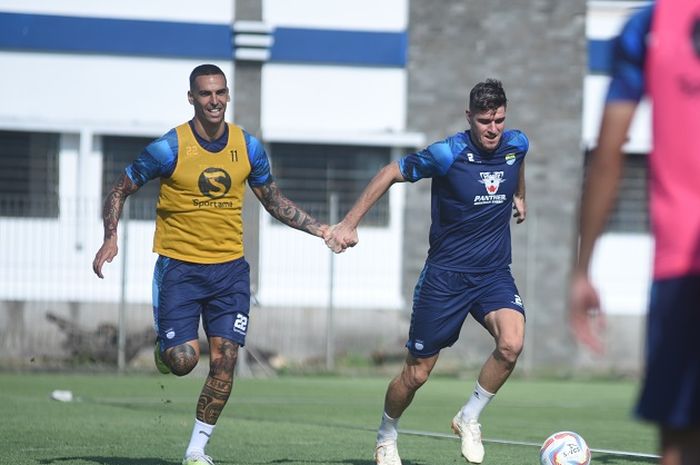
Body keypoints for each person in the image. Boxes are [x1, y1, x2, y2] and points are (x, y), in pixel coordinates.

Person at [92, 64, 328, 465]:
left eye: (220, 92)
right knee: (183, 361)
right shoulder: (170, 147)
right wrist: (111, 236)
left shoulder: (248, 147)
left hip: (229, 272)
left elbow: (274, 201)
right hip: (180, 270)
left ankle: (196, 450)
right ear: (191, 98)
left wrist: (322, 229)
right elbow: (121, 187)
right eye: (205, 94)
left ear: (228, 95)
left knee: (225, 360)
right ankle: (165, 350)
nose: (214, 100)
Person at [326, 79, 528, 465]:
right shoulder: (446, 154)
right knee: (416, 375)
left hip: (492, 274)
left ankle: (469, 417)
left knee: (511, 344)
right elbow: (390, 171)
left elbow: (517, 164)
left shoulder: (516, 144)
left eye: (499, 120)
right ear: (469, 117)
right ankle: (386, 436)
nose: (493, 129)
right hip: (445, 278)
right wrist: (349, 224)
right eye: (484, 120)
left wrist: (520, 195)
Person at [569, 1, 700, 464]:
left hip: (682, 270)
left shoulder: (650, 24)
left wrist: (582, 268)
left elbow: (609, 153)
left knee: (680, 442)